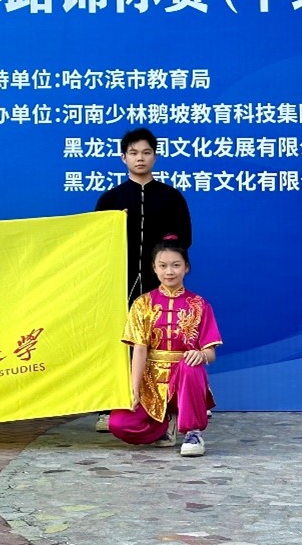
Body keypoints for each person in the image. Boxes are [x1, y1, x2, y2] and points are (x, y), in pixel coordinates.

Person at [94, 128, 191, 431]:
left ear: (155, 157)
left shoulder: (171, 198)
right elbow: (96, 242)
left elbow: (183, 239)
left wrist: (164, 261)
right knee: (120, 340)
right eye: (134, 153)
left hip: (160, 283)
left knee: (162, 339)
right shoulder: (111, 199)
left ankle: (171, 402)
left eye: (146, 152)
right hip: (120, 282)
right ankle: (113, 405)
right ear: (123, 157)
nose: (140, 158)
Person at [107, 240, 222, 457]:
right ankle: (166, 425)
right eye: (163, 265)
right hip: (151, 381)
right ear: (154, 268)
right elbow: (139, 349)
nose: (169, 271)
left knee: (190, 365)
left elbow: (211, 353)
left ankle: (193, 432)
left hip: (185, 379)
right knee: (119, 424)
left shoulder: (200, 304)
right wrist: (134, 389)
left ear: (186, 267)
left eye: (176, 265)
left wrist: (200, 354)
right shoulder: (142, 304)